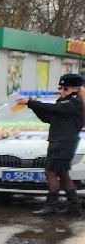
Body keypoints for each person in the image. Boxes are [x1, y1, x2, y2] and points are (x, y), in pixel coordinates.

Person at [18, 73, 84, 216]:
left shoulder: (74, 102)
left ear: (75, 88)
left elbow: (55, 110)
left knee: (50, 172)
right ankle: (74, 207)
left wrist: (30, 102)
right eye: (60, 88)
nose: (61, 90)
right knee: (63, 174)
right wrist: (33, 107)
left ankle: (52, 205)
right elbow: (49, 118)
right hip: (59, 142)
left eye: (65, 88)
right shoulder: (63, 101)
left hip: (63, 143)